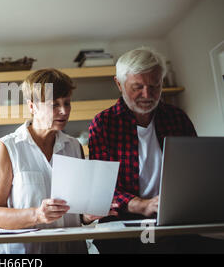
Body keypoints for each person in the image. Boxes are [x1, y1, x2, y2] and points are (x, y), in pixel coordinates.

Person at [88, 47, 224, 253]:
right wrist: (142, 205)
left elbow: (196, 174)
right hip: (125, 224)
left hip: (174, 221)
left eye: (155, 86)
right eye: (138, 87)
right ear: (119, 84)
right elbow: (101, 187)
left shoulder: (177, 118)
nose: (147, 94)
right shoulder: (104, 123)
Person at [0, 68, 114, 254]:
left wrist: (88, 216)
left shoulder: (74, 146)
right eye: (54, 104)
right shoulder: (8, 147)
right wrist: (37, 214)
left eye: (67, 103)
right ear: (32, 106)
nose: (63, 111)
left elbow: (78, 215)